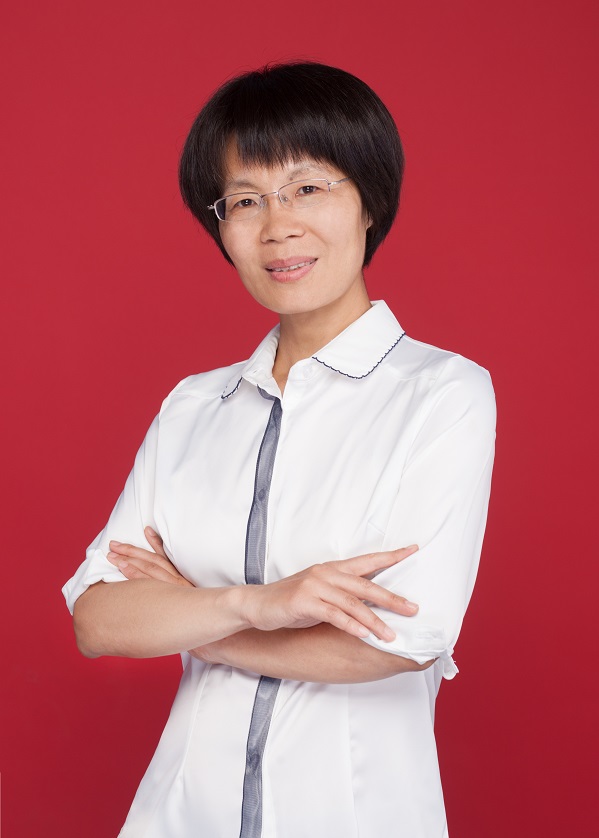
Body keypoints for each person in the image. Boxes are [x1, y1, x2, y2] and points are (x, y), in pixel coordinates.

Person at [63, 61, 496, 838]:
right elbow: (98, 617)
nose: (277, 226)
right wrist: (257, 604)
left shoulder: (441, 393)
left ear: (369, 201)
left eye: (307, 188)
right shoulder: (193, 408)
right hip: (177, 817)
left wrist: (194, 618)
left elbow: (402, 640)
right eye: (244, 200)